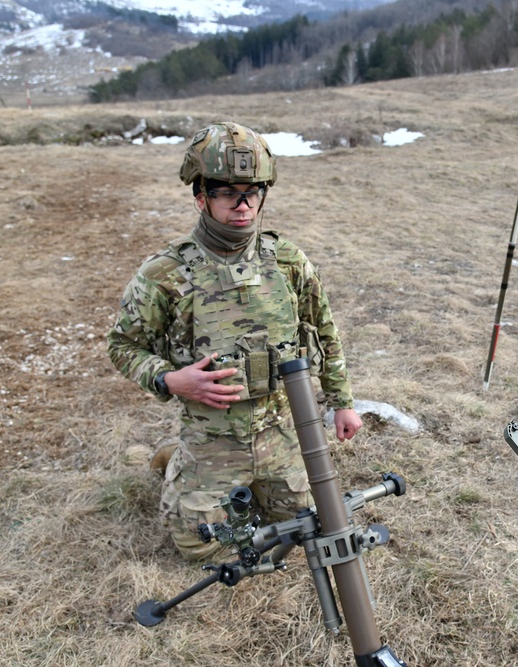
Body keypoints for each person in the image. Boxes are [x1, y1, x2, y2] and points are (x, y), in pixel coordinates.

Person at [108, 121, 362, 561]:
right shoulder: (164, 273)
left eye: (253, 191)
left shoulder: (286, 259)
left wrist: (343, 401)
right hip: (213, 435)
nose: (243, 205)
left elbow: (323, 328)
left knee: (302, 529)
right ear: (200, 196)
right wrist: (171, 380)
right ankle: (177, 461)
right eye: (228, 192)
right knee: (201, 548)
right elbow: (123, 346)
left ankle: (250, 481)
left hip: (281, 429)